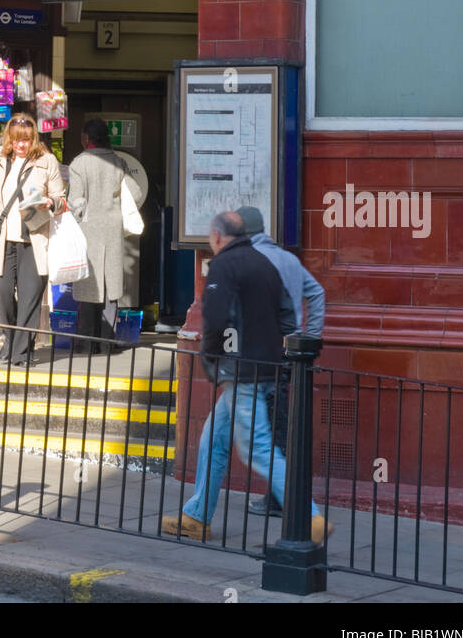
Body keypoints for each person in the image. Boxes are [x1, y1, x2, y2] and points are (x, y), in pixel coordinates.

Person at [161, 210, 331, 543]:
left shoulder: (235, 262)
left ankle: (310, 517)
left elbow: (217, 314)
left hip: (243, 366)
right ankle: (196, 517)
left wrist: (211, 359)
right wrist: (302, 342)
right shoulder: (282, 260)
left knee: (258, 448)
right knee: (215, 437)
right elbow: (303, 302)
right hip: (275, 361)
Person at [239, 204, 326, 516]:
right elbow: (316, 293)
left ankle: (285, 501)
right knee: (281, 423)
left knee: (269, 429)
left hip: (263, 354)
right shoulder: (288, 258)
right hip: (292, 351)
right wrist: (309, 336)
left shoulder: (251, 261)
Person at [0, 113, 64, 367]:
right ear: (9, 139)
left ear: (33, 138)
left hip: (34, 238)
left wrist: (50, 201)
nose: (21, 145)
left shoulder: (47, 161)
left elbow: (60, 198)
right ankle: (11, 336)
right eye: (16, 140)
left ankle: (21, 352)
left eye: (26, 140)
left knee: (30, 297)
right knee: (1, 292)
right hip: (0, 239)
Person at [67, 117, 130, 349]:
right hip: (113, 228)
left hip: (89, 229)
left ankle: (87, 344)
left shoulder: (79, 164)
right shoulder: (118, 162)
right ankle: (107, 343)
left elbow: (77, 202)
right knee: (111, 287)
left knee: (89, 288)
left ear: (86, 138)